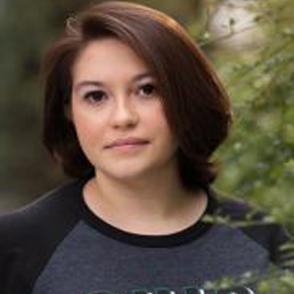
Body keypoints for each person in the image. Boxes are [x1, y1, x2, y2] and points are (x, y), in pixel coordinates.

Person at [0, 1, 291, 294]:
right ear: (68, 111)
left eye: (147, 90)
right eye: (96, 96)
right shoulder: (17, 247)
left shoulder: (262, 237)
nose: (123, 117)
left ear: (186, 98)